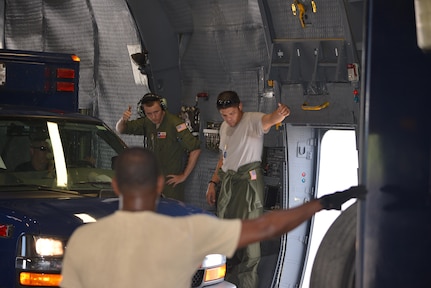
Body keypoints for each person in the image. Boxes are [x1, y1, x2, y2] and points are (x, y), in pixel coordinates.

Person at [60, 147, 366, 288]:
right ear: (158, 184)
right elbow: (268, 225)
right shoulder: (188, 231)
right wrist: (324, 202)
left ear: (115, 186)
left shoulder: (83, 240)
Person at [205, 90, 291, 287]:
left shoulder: (253, 121)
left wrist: (280, 114)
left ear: (240, 106)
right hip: (228, 186)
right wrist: (213, 183)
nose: (229, 119)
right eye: (224, 115)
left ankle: (247, 283)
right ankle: (222, 281)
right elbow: (222, 159)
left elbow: (270, 119)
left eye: (232, 113)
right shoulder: (224, 128)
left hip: (248, 185)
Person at [116, 92, 201, 201]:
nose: (153, 116)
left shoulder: (175, 123)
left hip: (170, 185)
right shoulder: (147, 123)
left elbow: (195, 148)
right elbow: (120, 129)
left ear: (163, 107)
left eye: (156, 112)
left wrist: (184, 175)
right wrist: (123, 120)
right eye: (149, 113)